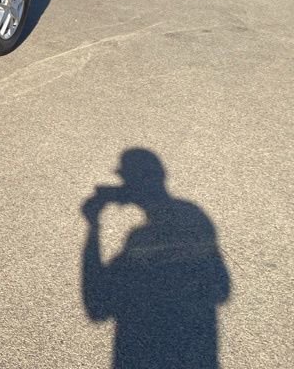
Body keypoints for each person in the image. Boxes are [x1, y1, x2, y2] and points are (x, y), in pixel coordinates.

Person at [81, 149, 230, 369]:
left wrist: (93, 226)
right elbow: (222, 288)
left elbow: (97, 306)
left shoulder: (141, 238)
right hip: (197, 352)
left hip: (140, 352)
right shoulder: (194, 216)